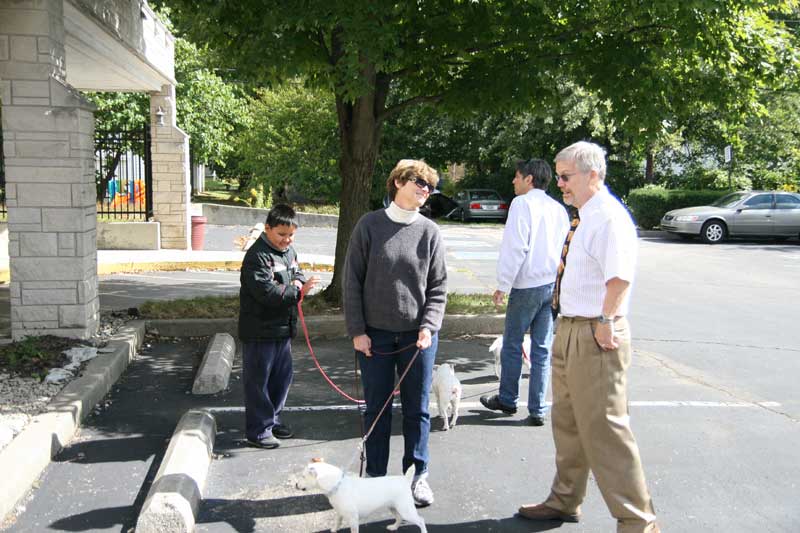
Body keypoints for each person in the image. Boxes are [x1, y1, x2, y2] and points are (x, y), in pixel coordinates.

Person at [517, 141, 659, 532]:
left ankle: (638, 523)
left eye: (566, 176)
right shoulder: (583, 216)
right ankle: (565, 500)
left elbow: (619, 278)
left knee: (606, 429)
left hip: (595, 331)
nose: (559, 184)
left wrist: (605, 319)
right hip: (570, 327)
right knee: (568, 423)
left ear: (592, 174)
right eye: (559, 176)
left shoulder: (609, 217)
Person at [343, 159, 448, 508]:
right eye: (419, 181)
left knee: (417, 409)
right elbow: (352, 282)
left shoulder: (430, 232)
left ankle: (417, 476)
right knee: (376, 408)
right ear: (398, 182)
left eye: (429, 185)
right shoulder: (369, 225)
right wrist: (357, 330)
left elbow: (438, 287)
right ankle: (374, 476)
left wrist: (428, 326)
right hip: (374, 335)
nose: (425, 189)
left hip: (417, 338)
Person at [480, 159, 569, 426]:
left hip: (526, 284)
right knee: (541, 349)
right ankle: (538, 408)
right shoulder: (558, 209)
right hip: (551, 285)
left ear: (529, 179)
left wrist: (503, 284)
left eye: (516, 177)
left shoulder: (522, 204)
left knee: (512, 343)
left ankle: (507, 399)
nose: (513, 181)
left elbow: (516, 247)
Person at [238, 204, 319, 449]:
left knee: (281, 379)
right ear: (267, 229)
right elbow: (267, 292)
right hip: (259, 330)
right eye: (281, 234)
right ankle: (258, 430)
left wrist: (300, 281)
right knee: (258, 381)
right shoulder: (256, 256)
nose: (286, 240)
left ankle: (272, 420)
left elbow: (299, 272)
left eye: (291, 235)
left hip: (283, 328)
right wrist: (297, 290)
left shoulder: (289, 251)